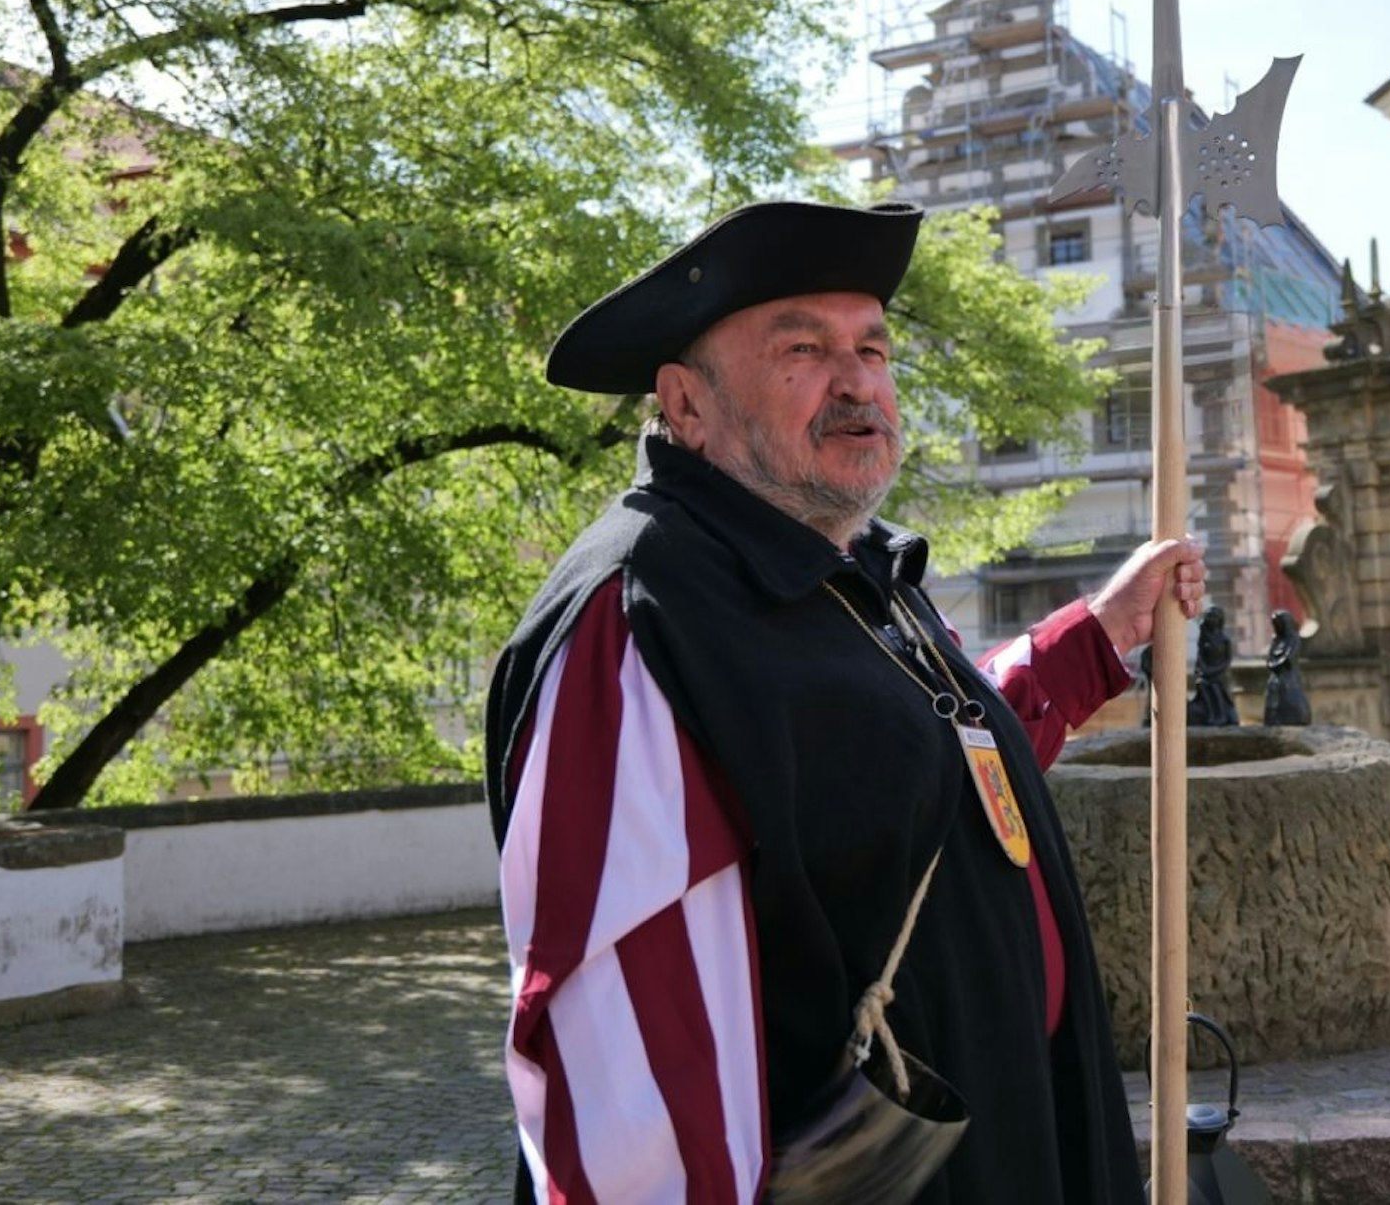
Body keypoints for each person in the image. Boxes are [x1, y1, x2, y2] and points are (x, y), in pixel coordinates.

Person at [483, 201, 1204, 1204]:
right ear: (685, 403)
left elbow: (921, 775)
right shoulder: (641, 613)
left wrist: (1096, 636)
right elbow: (631, 1048)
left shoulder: (847, 569)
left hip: (1007, 1143)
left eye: (871, 346)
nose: (857, 377)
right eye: (802, 348)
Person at [1190, 604, 1239, 728]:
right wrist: (1202, 669)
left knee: (1216, 687)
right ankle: (1211, 714)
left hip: (1219, 674)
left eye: (1213, 617)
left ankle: (1220, 715)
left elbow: (1227, 661)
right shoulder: (1204, 637)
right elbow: (1200, 656)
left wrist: (1214, 670)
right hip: (1206, 673)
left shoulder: (1225, 640)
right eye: (1208, 616)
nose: (1210, 619)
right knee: (1202, 684)